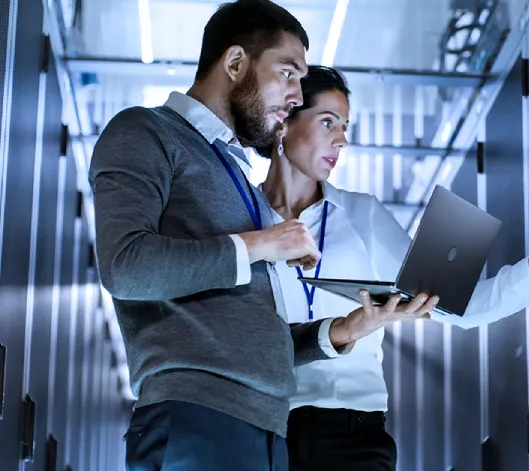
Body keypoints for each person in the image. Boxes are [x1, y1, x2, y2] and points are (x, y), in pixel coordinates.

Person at [88, 2, 429, 470]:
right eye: (288, 74)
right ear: (234, 63)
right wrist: (261, 244)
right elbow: (126, 266)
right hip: (196, 417)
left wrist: (341, 332)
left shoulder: (234, 172)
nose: (295, 95)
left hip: (266, 430)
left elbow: (249, 334)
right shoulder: (146, 130)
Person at [253, 65, 529, 471]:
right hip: (263, 432)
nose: (342, 139)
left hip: (353, 434)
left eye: (345, 126)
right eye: (328, 122)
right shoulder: (243, 223)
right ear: (284, 120)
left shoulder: (363, 214)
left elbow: (459, 308)